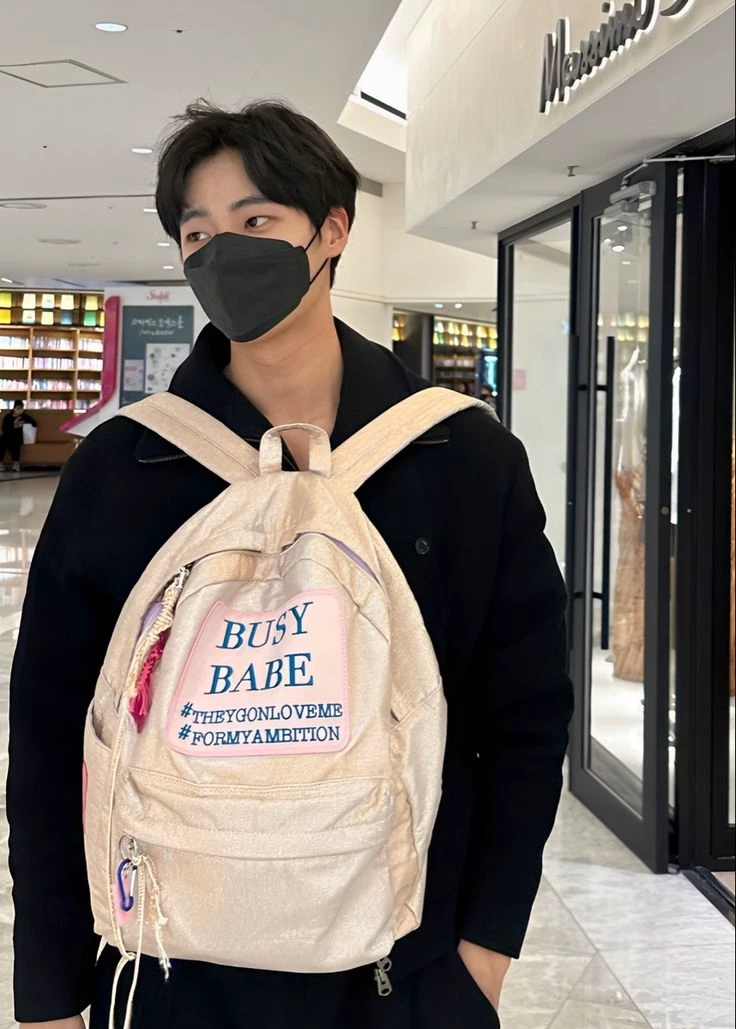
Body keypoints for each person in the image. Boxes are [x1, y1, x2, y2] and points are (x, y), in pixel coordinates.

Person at [8, 101, 573, 1029]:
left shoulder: (461, 457)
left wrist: (484, 950)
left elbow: (525, 715)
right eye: (197, 233)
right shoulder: (121, 467)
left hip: (406, 970)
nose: (221, 251)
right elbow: (49, 735)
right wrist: (49, 993)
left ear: (333, 230)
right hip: (172, 970)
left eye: (256, 220)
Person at [1, 400, 37, 472]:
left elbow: (34, 423)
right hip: (8, 435)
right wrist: (14, 424)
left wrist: (23, 422)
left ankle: (16, 463)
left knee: (15, 441)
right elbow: (4, 428)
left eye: (21, 408)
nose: (20, 410)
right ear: (14, 408)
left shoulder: (24, 417)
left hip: (18, 436)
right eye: (18, 408)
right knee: (2, 439)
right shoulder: (8, 417)